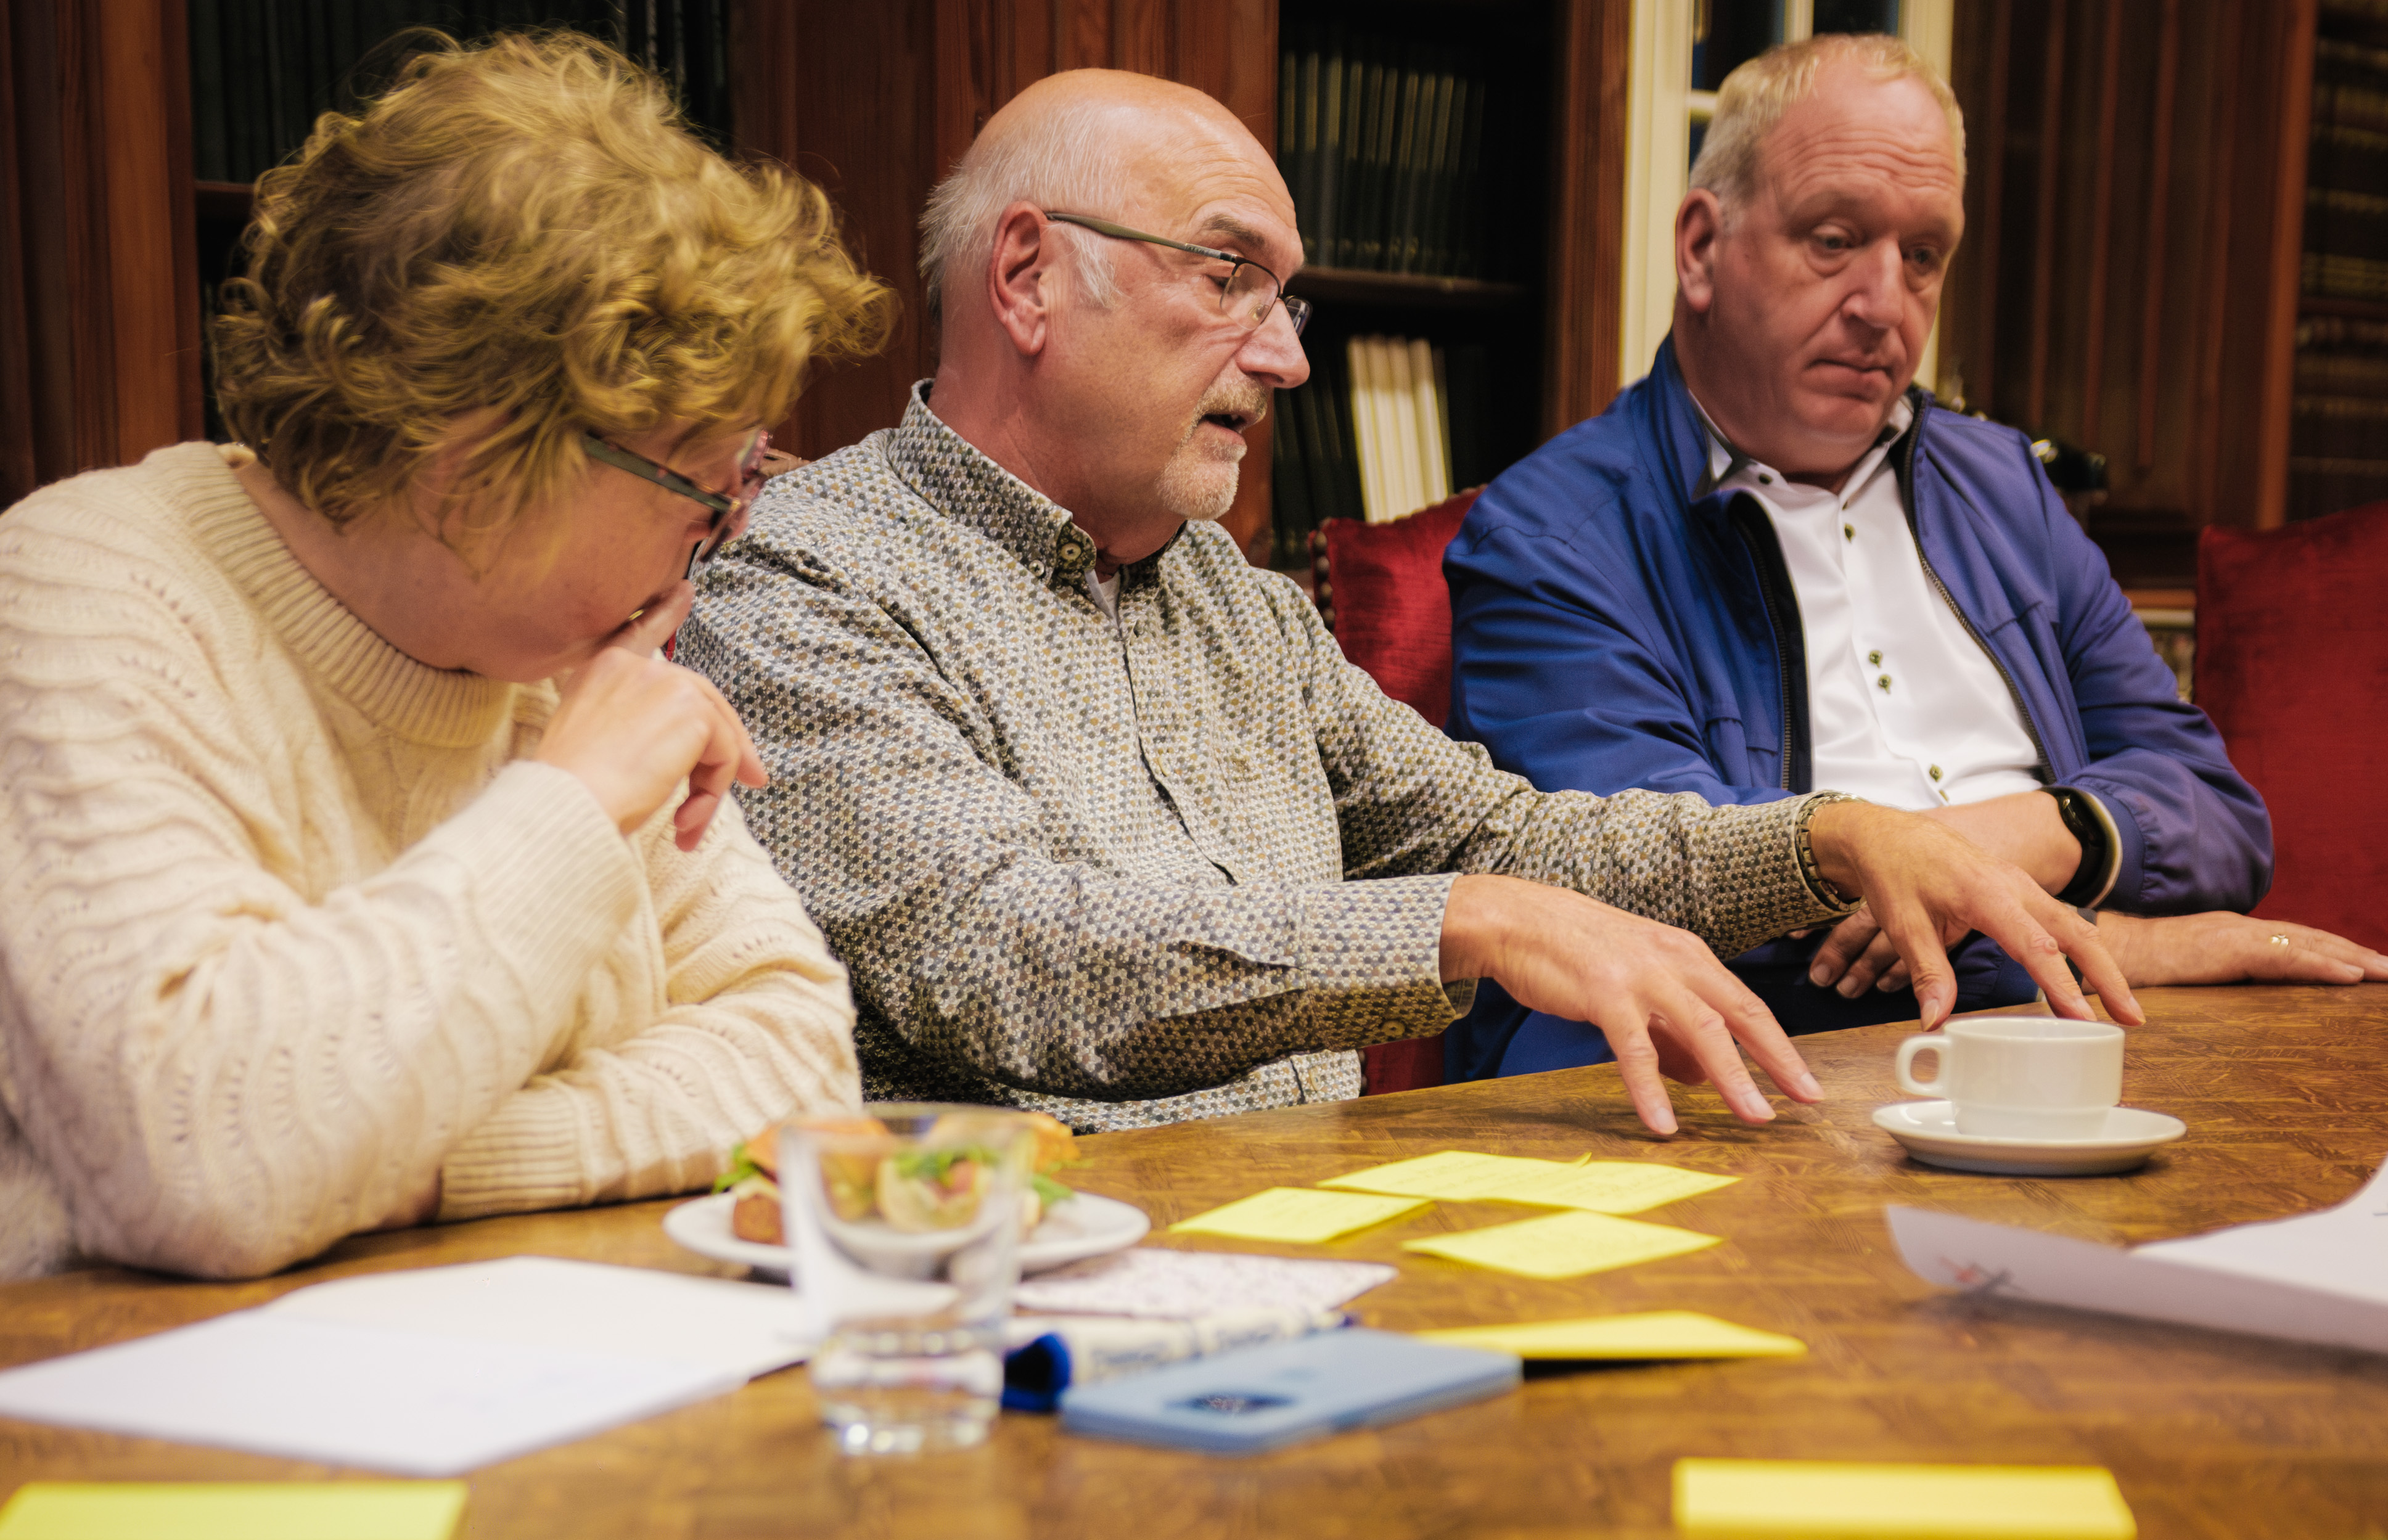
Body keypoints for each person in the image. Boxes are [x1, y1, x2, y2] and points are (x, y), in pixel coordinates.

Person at [688, 67, 2141, 1145]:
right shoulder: (807, 582)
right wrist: (1453, 924)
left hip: (1322, 1245)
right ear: (1026, 276)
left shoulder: (1233, 604)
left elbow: (1499, 836)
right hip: (1027, 1291)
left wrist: (1826, 837)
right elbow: (1015, 961)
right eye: (1228, 278)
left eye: (1287, 301)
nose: (1285, 359)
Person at [0, 31, 885, 1285]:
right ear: (482, 468)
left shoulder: (552, 648)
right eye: (706, 478)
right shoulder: (85, 593)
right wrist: (569, 808)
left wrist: (399, 1161)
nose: (729, 525)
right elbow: (205, 1163)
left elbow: (800, 1062)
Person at [1444, 31, 2388, 1083]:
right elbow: (1667, 888)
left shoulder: (2003, 488)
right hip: (1743, 1087)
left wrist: (2038, 830)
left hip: (2072, 1061)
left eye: (1923, 255)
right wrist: (2105, 948)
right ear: (1701, 249)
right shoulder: (1552, 537)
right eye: (1833, 240)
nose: (1884, 305)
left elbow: (2216, 810)